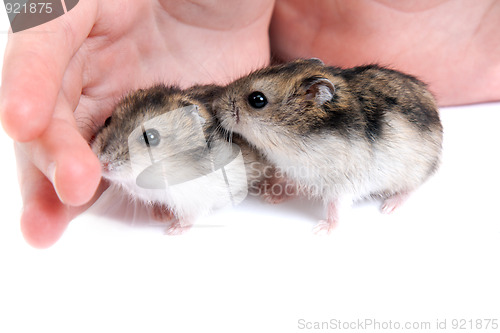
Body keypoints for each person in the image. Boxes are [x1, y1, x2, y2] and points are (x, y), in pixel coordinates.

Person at [1, 0, 498, 248]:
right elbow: (28, 7)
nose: (227, 105)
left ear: (313, 104)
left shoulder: (334, 140)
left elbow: (338, 173)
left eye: (256, 101)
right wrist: (25, 7)